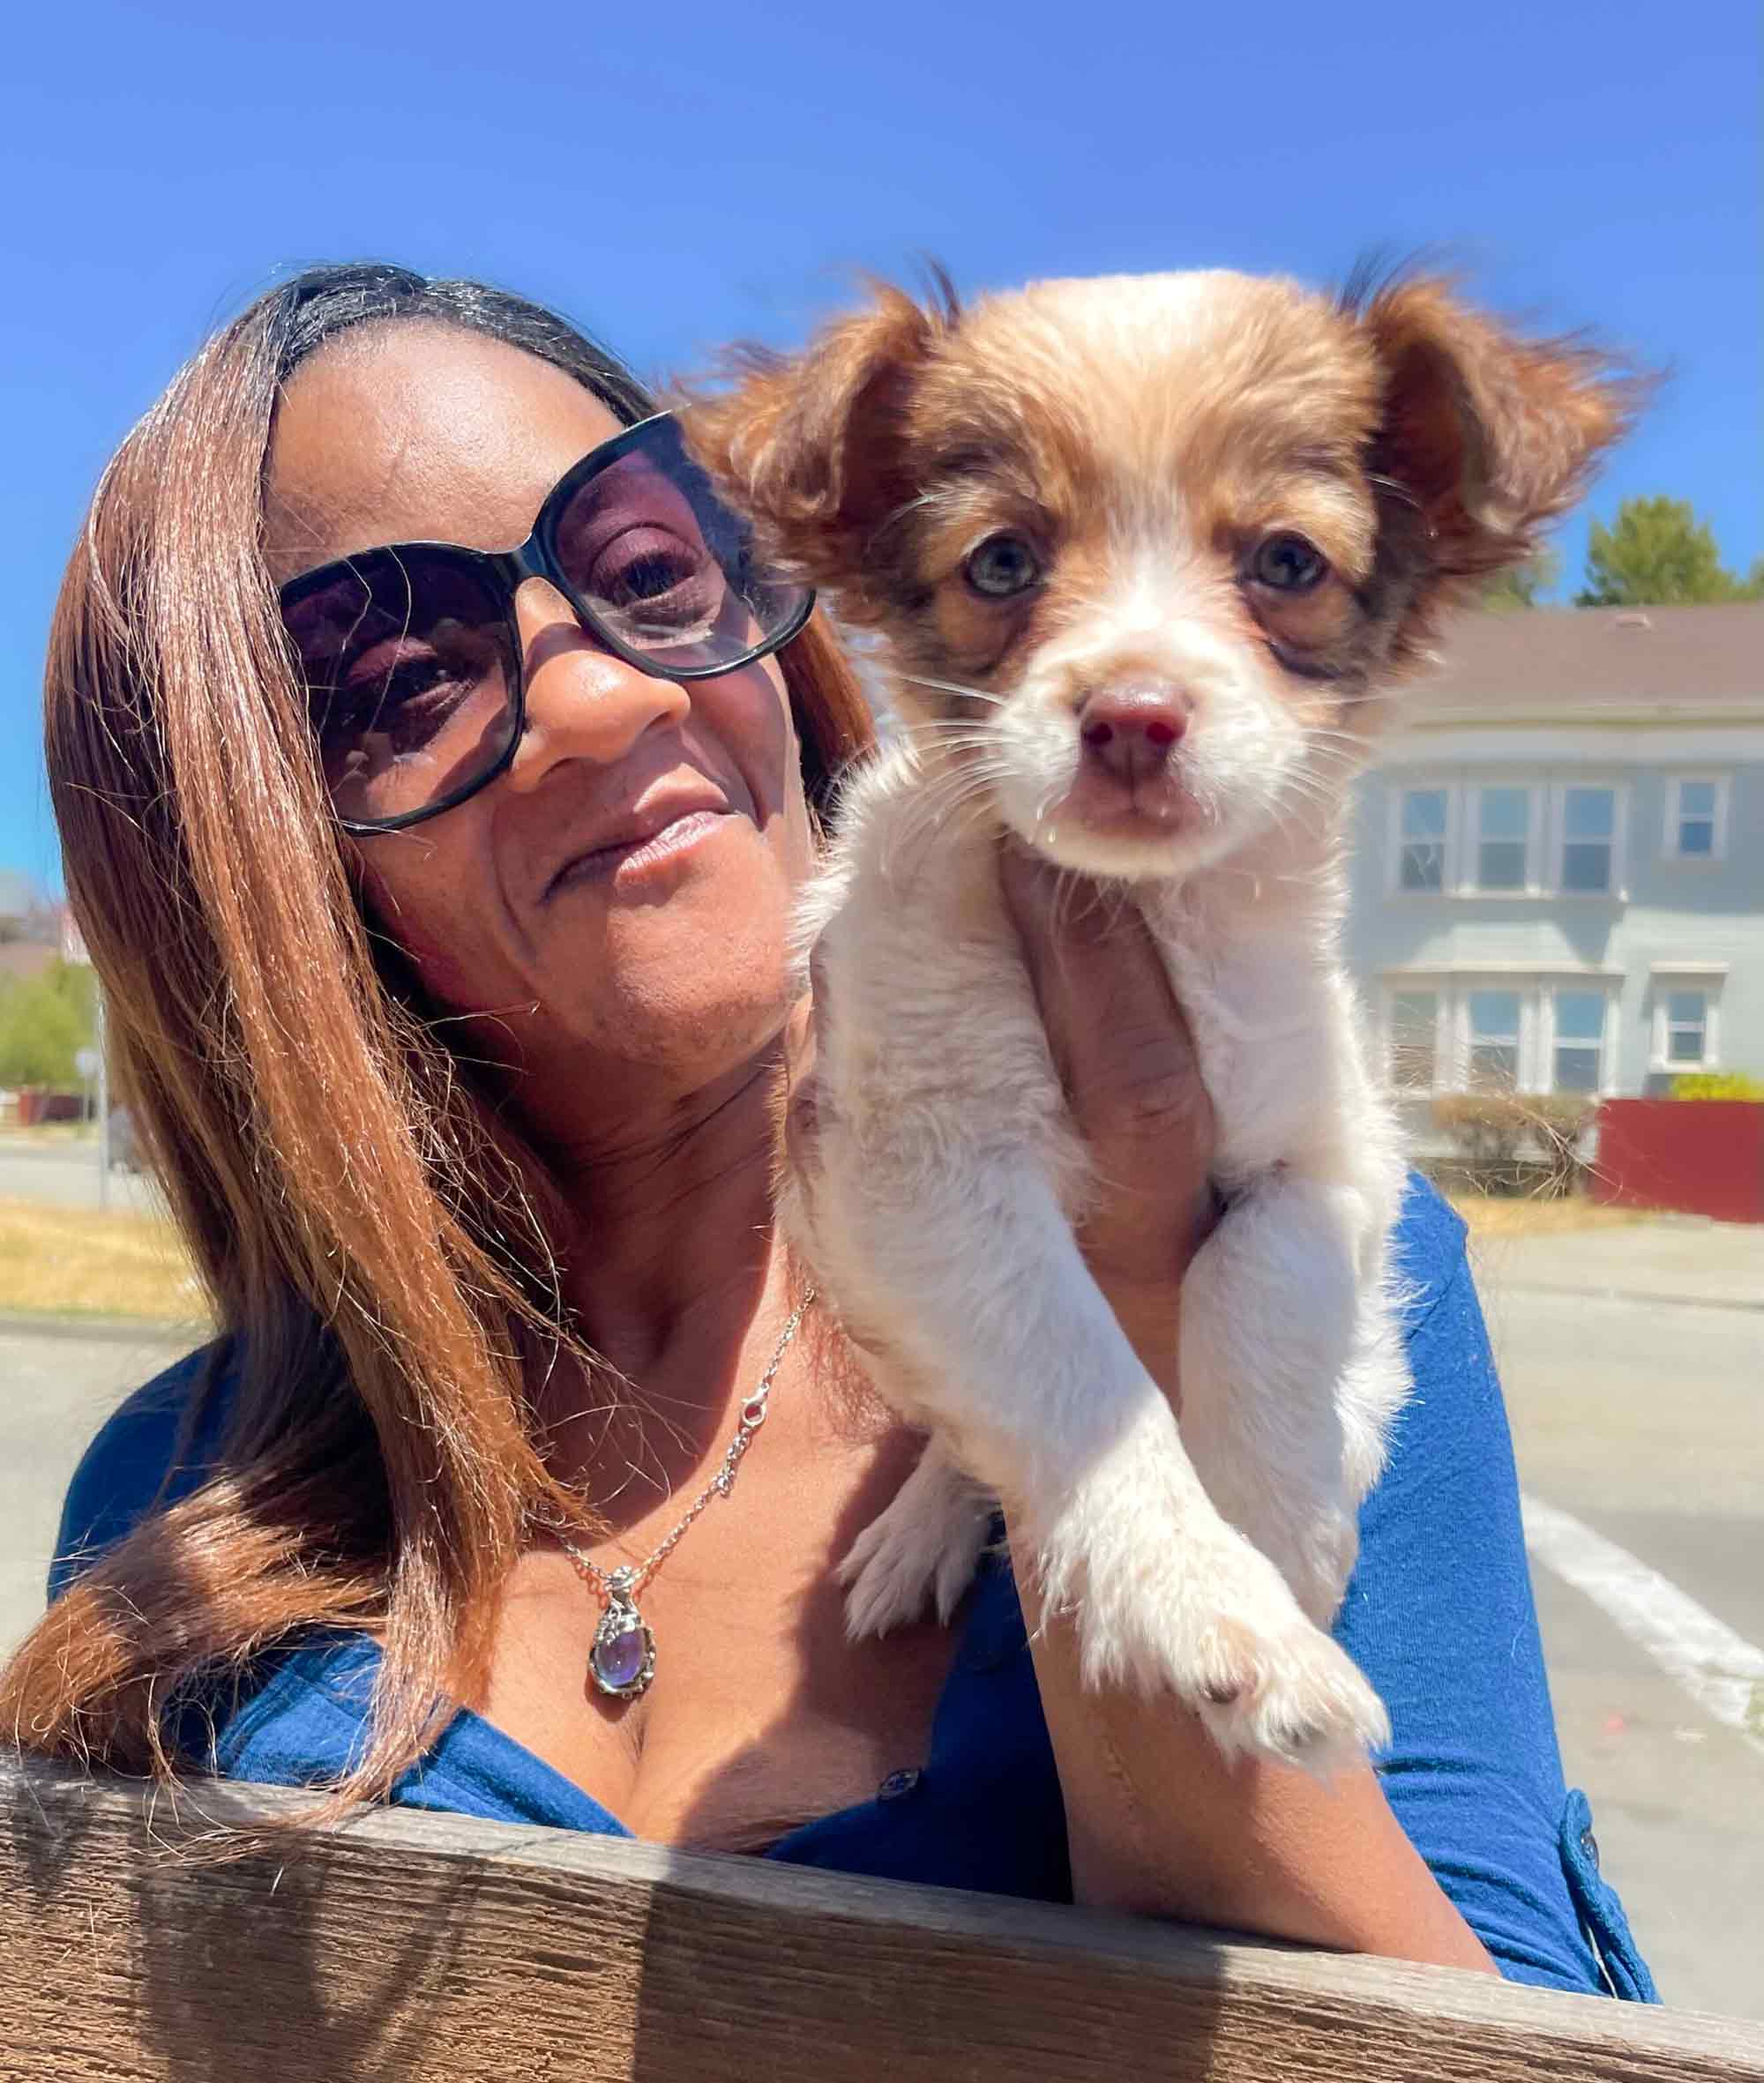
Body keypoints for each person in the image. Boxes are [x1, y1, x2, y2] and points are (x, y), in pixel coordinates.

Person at [4, 264, 1652, 2000]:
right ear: (242, 854)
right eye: (405, 675)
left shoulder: (1318, 1258)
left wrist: (1139, 1409)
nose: (603, 695)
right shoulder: (189, 1496)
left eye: (650, 567)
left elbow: (1506, 2029)